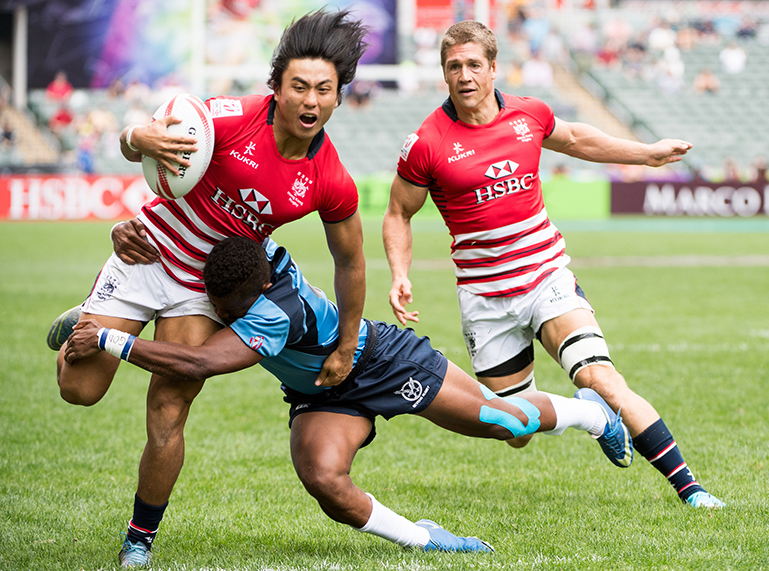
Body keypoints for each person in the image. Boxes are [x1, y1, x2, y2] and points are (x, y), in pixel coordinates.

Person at [64, 236, 633, 559]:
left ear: (258, 291)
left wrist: (113, 338)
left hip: (384, 362)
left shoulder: (275, 309)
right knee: (324, 480)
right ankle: (425, 539)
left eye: (231, 306)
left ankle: (591, 414)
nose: (224, 314)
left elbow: (202, 362)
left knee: (501, 421)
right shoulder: (251, 262)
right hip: (322, 392)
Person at [50, 9, 369, 567]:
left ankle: (139, 540)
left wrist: (345, 344)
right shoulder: (227, 119)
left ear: (341, 97)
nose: (310, 101)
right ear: (276, 88)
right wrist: (134, 135)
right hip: (145, 253)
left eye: (324, 89)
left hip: (203, 289)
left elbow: (351, 261)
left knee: (169, 409)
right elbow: (142, 147)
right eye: (298, 86)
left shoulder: (330, 178)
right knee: (79, 390)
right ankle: (90, 314)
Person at [382, 20, 725, 510]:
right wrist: (399, 272)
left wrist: (645, 154)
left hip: (546, 277)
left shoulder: (529, 115)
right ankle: (588, 414)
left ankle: (691, 489)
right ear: (443, 73)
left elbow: (578, 139)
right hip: (485, 298)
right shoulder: (426, 144)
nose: (464, 75)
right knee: (513, 429)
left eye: (474, 64)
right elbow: (398, 213)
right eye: (453, 66)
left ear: (494, 68)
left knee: (602, 378)